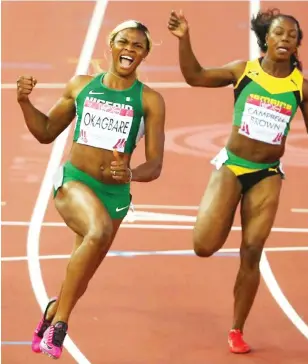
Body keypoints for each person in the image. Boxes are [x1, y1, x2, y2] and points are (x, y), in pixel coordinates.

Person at [168, 8, 308, 354]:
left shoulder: (301, 87)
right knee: (203, 246)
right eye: (278, 33)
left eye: (291, 35)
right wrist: (184, 39)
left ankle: (236, 329)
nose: (285, 39)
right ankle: (223, 213)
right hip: (232, 166)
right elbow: (195, 76)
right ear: (266, 40)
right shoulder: (243, 71)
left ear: (297, 44)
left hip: (267, 173)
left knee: (253, 250)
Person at [17, 20, 166, 360]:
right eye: (124, 42)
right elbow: (45, 132)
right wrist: (25, 102)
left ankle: (53, 309)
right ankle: (61, 325)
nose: (130, 49)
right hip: (74, 183)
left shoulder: (151, 101)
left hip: (114, 195)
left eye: (138, 46)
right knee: (96, 232)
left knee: (81, 278)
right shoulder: (81, 86)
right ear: (110, 46)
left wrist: (132, 173)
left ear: (144, 54)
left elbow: (155, 165)